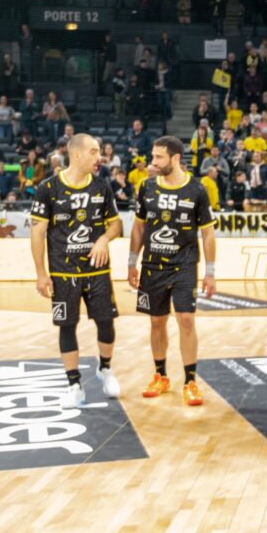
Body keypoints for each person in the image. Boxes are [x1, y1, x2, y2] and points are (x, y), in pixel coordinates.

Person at [30, 134, 122, 407]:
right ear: (78, 154)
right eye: (94, 152)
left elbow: (116, 225)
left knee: (106, 323)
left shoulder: (102, 186)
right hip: (62, 273)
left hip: (97, 272)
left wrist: (105, 238)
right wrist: (41, 273)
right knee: (67, 326)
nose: (100, 157)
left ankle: (105, 368)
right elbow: (38, 232)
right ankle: (74, 385)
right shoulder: (48, 188)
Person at [128, 136, 218, 407]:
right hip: (152, 266)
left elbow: (208, 233)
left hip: (185, 264)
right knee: (156, 322)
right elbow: (138, 227)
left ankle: (190, 381)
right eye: (152, 156)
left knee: (186, 319)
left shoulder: (197, 190)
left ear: (176, 158)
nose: (152, 162)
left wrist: (210, 272)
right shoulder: (146, 187)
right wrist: (132, 261)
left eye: (158, 157)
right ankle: (161, 375)